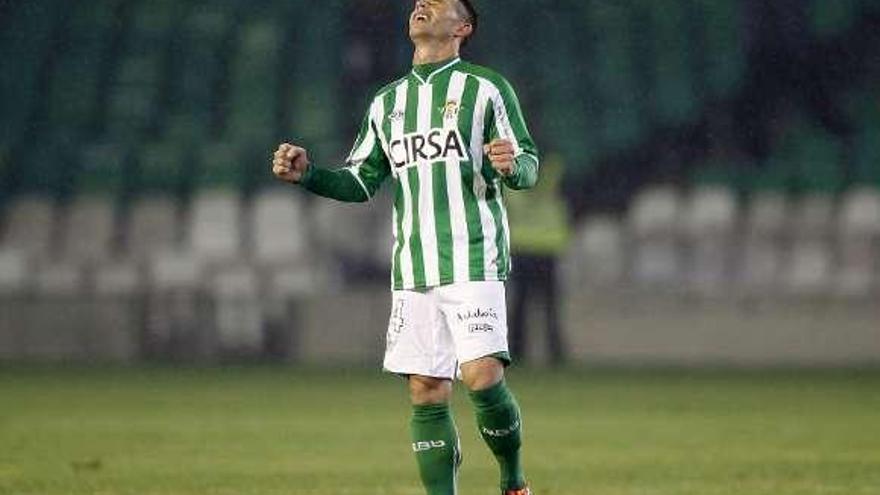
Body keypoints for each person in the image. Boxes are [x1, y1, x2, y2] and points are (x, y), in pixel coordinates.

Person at [271, 1, 538, 493]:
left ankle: (513, 480)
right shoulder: (386, 102)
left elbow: (528, 161)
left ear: (463, 27)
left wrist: (512, 166)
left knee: (481, 375)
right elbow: (360, 180)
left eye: (437, 1)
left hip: (473, 256)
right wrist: (309, 174)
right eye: (420, 1)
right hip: (412, 266)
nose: (422, 4)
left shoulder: (485, 88)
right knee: (426, 390)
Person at [505, 155, 571, 365]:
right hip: (547, 245)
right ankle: (555, 354)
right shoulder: (555, 171)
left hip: (521, 243)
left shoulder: (509, 167)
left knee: (520, 306)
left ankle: (517, 353)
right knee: (549, 305)